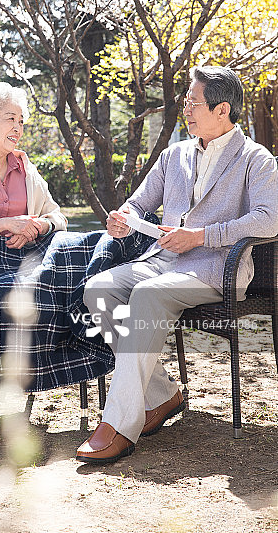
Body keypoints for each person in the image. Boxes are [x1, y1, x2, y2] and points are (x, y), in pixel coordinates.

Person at [0, 81, 155, 434]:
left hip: (29, 257)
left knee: (73, 269)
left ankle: (85, 355)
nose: (18, 127)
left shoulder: (24, 168)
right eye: (9, 119)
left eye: (20, 120)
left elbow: (56, 217)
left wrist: (36, 227)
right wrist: (3, 224)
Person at [76, 65, 278, 465]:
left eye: (194, 102)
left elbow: (269, 218)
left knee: (148, 295)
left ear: (223, 110)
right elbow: (139, 201)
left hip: (217, 266)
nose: (185, 108)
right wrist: (123, 217)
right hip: (165, 260)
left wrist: (202, 236)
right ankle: (162, 395)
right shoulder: (175, 155)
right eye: (186, 100)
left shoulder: (256, 159)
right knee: (99, 289)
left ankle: (119, 424)